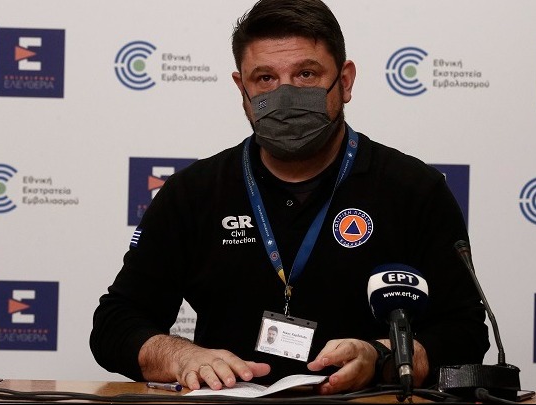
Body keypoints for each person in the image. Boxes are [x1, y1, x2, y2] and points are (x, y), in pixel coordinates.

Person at [90, 0, 489, 395]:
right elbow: (116, 323)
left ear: (345, 81)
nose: (285, 95)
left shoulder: (414, 190)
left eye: (306, 74)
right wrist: (180, 356)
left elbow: (465, 333)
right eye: (265, 78)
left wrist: (381, 356)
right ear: (241, 88)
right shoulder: (193, 193)